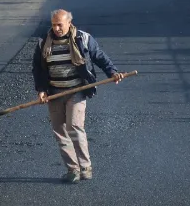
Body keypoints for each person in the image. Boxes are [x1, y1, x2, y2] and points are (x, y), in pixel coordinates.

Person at [32, 10, 126, 184]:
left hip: (77, 90)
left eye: (60, 24)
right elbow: (37, 69)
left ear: (69, 22)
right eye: (54, 25)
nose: (57, 28)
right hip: (54, 92)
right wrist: (41, 90)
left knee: (74, 125)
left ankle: (85, 167)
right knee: (59, 131)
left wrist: (113, 72)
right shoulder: (43, 42)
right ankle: (72, 169)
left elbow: (99, 57)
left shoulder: (83, 39)